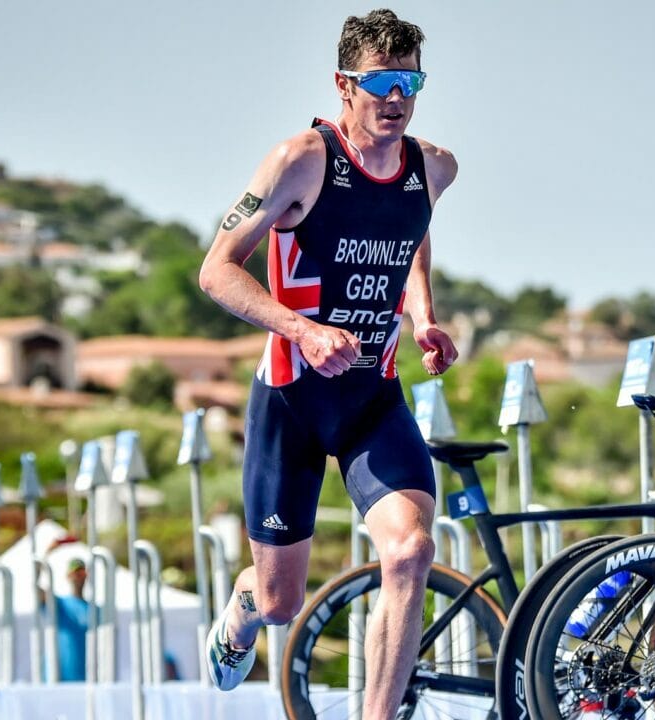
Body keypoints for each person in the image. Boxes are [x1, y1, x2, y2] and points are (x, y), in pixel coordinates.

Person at [197, 8, 459, 718]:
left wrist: (423, 315)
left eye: (411, 81)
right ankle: (244, 603)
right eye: (383, 83)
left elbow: (411, 238)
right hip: (292, 403)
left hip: (373, 400)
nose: (398, 98)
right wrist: (301, 330)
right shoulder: (300, 163)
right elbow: (217, 271)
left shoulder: (433, 168)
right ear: (345, 85)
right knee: (282, 603)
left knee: (409, 553)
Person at [39, 556, 90, 682]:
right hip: (56, 679)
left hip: (86, 680)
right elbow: (35, 588)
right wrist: (45, 555)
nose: (78, 577)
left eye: (81, 573)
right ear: (68, 576)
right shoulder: (59, 603)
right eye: (74, 573)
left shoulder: (95, 609)